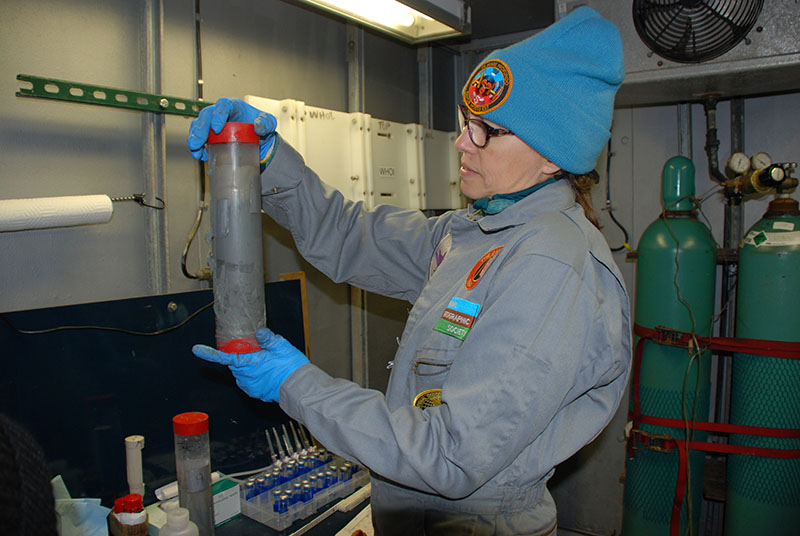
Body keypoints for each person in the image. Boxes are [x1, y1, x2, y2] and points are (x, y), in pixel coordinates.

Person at [188, 6, 631, 535]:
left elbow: (448, 453)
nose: (463, 143)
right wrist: (271, 162)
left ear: (554, 156)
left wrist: (297, 384)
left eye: (488, 131)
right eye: (467, 123)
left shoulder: (549, 265)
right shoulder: (476, 233)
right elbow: (349, 237)